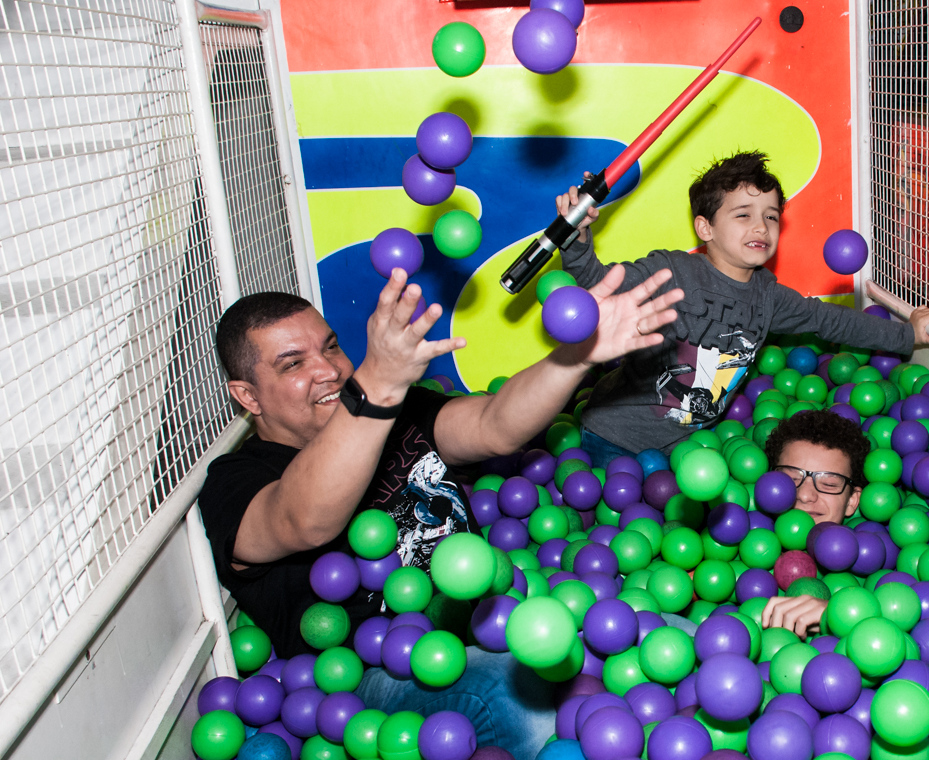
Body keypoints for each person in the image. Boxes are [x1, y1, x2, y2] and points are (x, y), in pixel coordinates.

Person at [198, 265, 683, 759]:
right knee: (525, 703)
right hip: (373, 677)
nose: (328, 370)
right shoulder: (234, 482)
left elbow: (495, 425)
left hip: (499, 612)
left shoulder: (397, 413)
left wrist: (574, 357)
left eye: (330, 346)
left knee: (674, 643)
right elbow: (303, 520)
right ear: (247, 396)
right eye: (292, 364)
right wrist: (377, 389)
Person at [555, 151, 929, 467]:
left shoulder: (767, 296)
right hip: (615, 435)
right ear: (705, 228)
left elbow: (828, 321)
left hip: (684, 451)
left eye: (771, 216)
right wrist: (576, 237)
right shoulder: (672, 272)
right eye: (743, 215)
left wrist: (908, 334)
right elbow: (599, 287)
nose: (761, 227)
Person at [758, 409, 869, 636]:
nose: (806, 495)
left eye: (829, 483)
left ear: (852, 501)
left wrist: (836, 616)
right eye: (790, 480)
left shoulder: (872, 564)